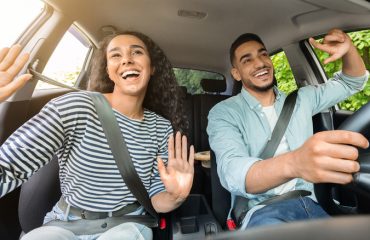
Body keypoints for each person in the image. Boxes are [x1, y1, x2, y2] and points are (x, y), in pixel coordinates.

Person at [0, 31, 194, 240]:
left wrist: (175, 196)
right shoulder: (74, 106)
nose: (127, 59)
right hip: (64, 224)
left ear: (152, 68)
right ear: (108, 71)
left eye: (136, 52)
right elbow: (8, 169)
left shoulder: (161, 127)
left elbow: (156, 198)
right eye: (115, 55)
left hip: (127, 226)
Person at [207, 29, 369, 230]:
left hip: (317, 202)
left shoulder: (302, 99)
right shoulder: (223, 112)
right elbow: (233, 172)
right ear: (236, 74)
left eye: (263, 54)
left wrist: (350, 49)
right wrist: (295, 163)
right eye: (247, 60)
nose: (260, 63)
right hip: (264, 210)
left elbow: (352, 82)